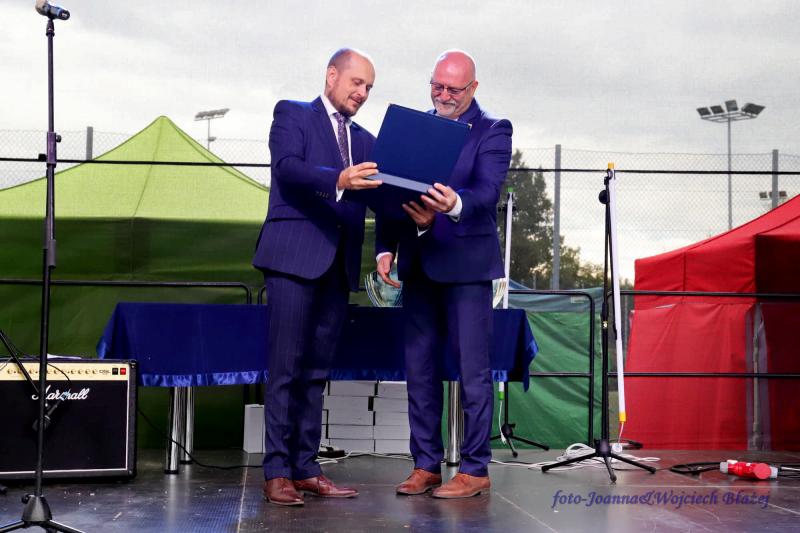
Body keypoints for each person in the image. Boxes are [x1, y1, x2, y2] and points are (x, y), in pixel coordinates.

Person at [375, 50, 513, 498]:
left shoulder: (494, 129)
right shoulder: (414, 129)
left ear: (473, 88)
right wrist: (385, 247)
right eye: (437, 85)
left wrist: (452, 205)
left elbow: (486, 192)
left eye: (454, 88)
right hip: (418, 264)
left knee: (473, 372)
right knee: (419, 370)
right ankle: (425, 465)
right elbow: (390, 189)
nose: (444, 95)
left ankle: (475, 469)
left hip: (467, 268)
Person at [253, 48, 381, 506]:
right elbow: (288, 170)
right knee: (285, 368)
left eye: (369, 87)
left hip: (339, 265)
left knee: (315, 373)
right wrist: (339, 179)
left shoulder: (367, 141)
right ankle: (276, 471)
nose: (362, 93)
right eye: (356, 82)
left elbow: (382, 197)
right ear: (331, 76)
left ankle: (306, 467)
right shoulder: (292, 114)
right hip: (293, 257)